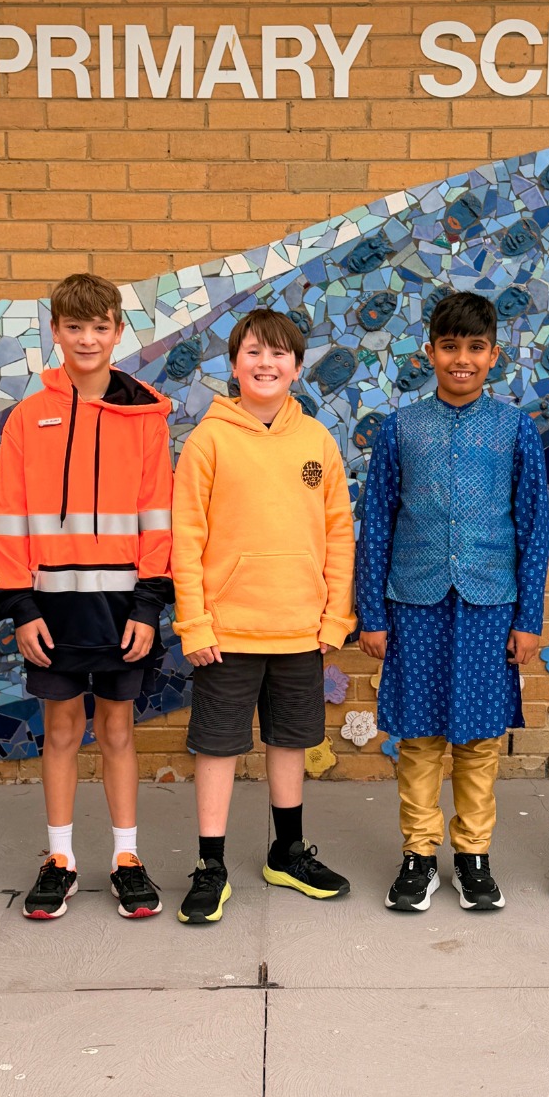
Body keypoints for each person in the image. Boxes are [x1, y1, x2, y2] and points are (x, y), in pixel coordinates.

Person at [0, 273, 174, 921]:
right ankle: (59, 859)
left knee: (119, 731)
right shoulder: (25, 419)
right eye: (75, 326)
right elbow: (7, 517)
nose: (87, 338)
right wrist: (21, 607)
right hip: (53, 610)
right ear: (56, 331)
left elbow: (158, 517)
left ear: (119, 333)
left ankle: (127, 857)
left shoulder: (146, 418)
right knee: (62, 731)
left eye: (100, 327)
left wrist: (150, 605)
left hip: (123, 610)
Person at [357, 290, 549, 914]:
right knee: (417, 737)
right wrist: (373, 612)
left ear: (494, 355)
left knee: (479, 738)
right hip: (414, 601)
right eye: (449, 347)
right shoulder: (402, 426)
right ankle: (418, 854)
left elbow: (534, 525)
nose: (460, 359)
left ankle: (473, 856)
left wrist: (528, 619)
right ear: (429, 352)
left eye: (474, 348)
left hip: (490, 604)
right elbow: (377, 520)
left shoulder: (514, 426)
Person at [171, 307, 357, 924]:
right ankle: (211, 863)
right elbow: (187, 538)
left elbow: (337, 535)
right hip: (225, 632)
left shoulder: (317, 442)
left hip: (300, 628)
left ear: (297, 368)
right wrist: (194, 623)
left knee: (289, 741)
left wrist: (334, 619)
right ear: (233, 365)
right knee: (219, 747)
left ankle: (287, 851)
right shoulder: (209, 439)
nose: (265, 363)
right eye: (252, 352)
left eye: (278, 354)